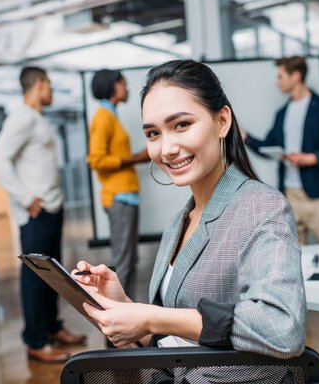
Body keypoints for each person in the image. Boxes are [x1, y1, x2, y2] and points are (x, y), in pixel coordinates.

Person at [74, 60, 306, 380]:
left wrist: (153, 317)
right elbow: (175, 343)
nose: (167, 148)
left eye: (181, 124)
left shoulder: (261, 206)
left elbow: (282, 328)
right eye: (153, 133)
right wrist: (125, 306)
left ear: (222, 121)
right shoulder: (177, 224)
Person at [0, 66, 86, 363]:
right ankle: (35, 341)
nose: (52, 91)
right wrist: (26, 198)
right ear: (39, 84)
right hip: (36, 211)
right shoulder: (21, 117)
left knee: (51, 275)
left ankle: (52, 328)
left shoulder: (35, 118)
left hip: (50, 207)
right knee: (34, 278)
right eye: (50, 85)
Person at [242, 56, 319, 245]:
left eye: (280, 76)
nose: (277, 82)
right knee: (293, 254)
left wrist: (314, 158)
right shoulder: (282, 113)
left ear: (295, 76)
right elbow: (268, 147)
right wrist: (244, 137)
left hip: (318, 195)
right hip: (289, 194)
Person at [86, 69, 149, 300]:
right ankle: (117, 322)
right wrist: (136, 158)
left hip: (127, 196)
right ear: (113, 86)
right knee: (124, 263)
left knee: (129, 261)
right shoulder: (103, 117)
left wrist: (136, 158)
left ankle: (125, 316)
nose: (127, 88)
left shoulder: (111, 115)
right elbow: (96, 159)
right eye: (123, 83)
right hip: (119, 197)